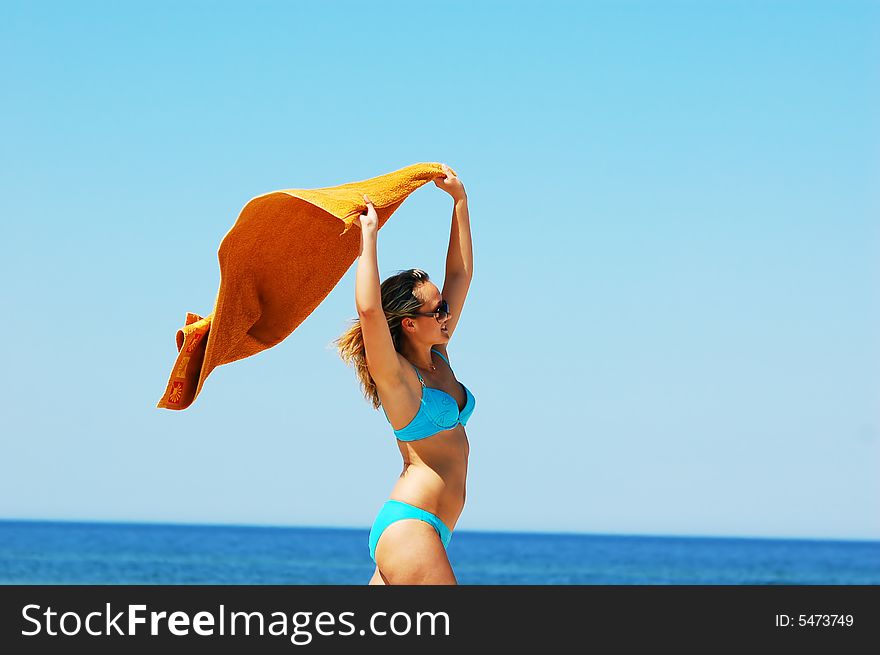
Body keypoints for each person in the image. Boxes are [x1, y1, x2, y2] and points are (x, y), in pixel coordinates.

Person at [335, 164, 473, 584]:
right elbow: (370, 311)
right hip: (413, 527)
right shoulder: (396, 377)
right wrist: (368, 241)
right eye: (438, 310)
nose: (447, 313)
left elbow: (460, 274)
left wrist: (460, 202)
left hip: (430, 531)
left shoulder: (439, 355)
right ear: (410, 322)